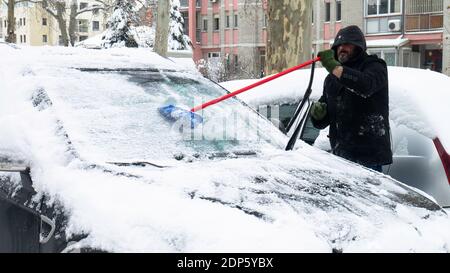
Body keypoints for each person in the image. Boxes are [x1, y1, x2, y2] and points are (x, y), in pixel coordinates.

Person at [310, 25, 392, 172]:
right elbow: (325, 120)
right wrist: (318, 115)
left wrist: (336, 69)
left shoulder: (375, 66)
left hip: (368, 158)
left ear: (358, 47)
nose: (342, 48)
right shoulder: (331, 79)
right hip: (340, 157)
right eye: (339, 45)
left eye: (347, 44)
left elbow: (366, 86)